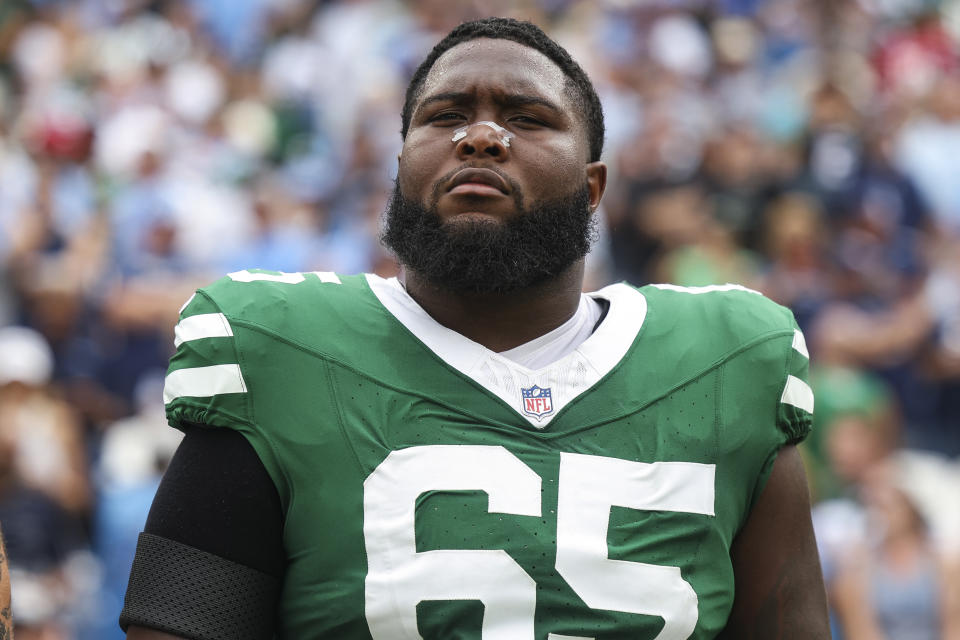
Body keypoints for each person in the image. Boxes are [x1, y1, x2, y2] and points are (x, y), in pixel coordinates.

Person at [121, 17, 829, 639]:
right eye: (446, 114)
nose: (482, 136)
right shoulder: (279, 351)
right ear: (401, 171)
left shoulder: (730, 363)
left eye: (526, 118)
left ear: (592, 189)